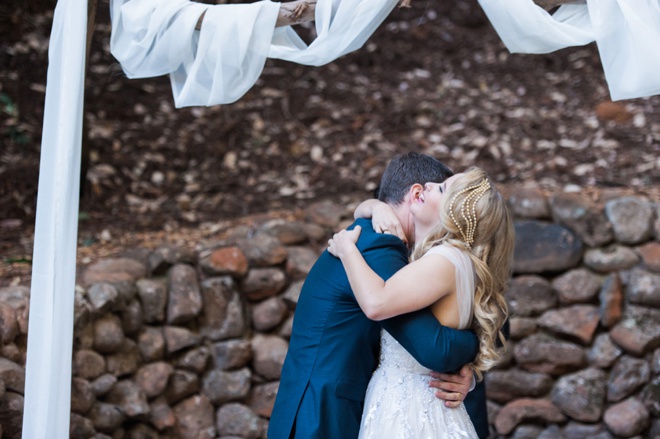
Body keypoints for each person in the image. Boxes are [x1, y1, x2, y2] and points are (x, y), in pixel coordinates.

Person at [268, 153, 481, 439]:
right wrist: (477, 342)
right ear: (417, 195)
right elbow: (433, 348)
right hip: (323, 416)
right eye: (445, 194)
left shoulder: (370, 233)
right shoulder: (381, 248)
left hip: (318, 405)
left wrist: (369, 206)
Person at [327, 166, 514, 438]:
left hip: (411, 408)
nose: (427, 185)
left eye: (441, 188)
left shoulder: (445, 259)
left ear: (455, 211)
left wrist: (347, 250)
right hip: (419, 403)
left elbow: (376, 303)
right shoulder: (457, 261)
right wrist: (376, 207)